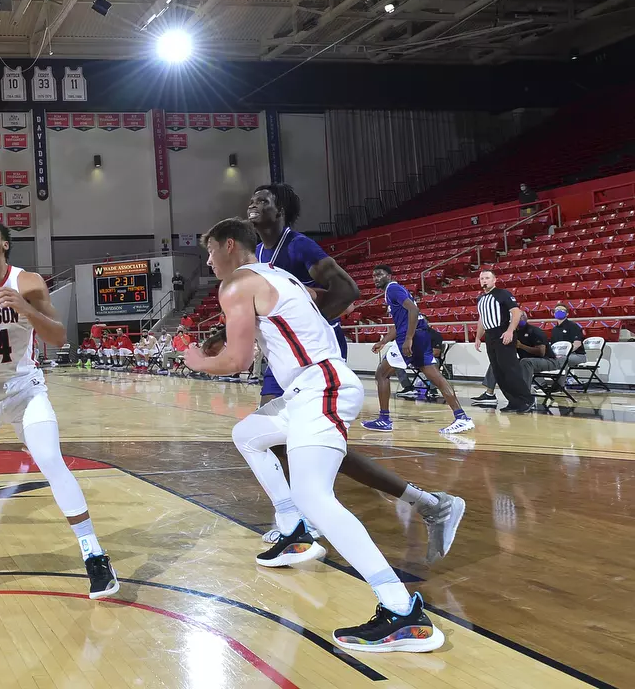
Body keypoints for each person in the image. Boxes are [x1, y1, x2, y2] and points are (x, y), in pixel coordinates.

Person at [185, 217, 445, 653]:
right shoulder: (278, 274)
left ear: (229, 245)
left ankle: (402, 612)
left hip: (320, 385)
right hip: (311, 386)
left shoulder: (235, 286)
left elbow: (237, 361)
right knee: (248, 433)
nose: (208, 260)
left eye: (210, 250)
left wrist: (196, 360)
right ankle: (293, 530)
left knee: (316, 497)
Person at [239, 184, 465, 560]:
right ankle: (422, 503)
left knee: (299, 442)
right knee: (286, 441)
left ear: (281, 210)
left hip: (315, 356)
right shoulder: (260, 253)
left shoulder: (299, 246)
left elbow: (347, 289)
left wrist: (305, 323)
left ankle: (302, 522)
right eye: (252, 197)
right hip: (284, 358)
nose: (254, 202)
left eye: (263, 199)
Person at [0, 216, 119, 599]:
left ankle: (94, 554)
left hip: (24, 390)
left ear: (5, 244)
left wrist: (26, 311)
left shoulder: (26, 282)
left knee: (51, 460)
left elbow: (60, 336)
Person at [364, 266, 473, 434]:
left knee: (381, 374)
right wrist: (385, 341)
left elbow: (414, 310)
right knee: (436, 377)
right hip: (420, 335)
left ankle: (384, 419)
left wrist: (408, 338)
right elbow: (400, 321)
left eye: (379, 274)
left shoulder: (392, 288)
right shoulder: (397, 290)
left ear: (389, 275)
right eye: (373, 275)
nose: (375, 278)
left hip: (411, 337)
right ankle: (461, 417)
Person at [473, 270, 533, 412]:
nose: (484, 280)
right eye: (482, 278)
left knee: (510, 370)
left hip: (502, 333)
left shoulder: (503, 294)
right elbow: (482, 319)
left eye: (487, 278)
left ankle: (526, 400)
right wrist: (477, 336)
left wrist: (510, 330)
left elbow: (516, 312)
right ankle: (513, 401)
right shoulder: (480, 299)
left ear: (494, 280)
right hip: (489, 335)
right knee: (498, 371)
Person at [473, 309, 557, 406]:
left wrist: (521, 346)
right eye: (519, 316)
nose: (521, 318)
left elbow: (541, 352)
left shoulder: (535, 331)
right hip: (524, 360)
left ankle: (525, 396)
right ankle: (489, 393)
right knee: (497, 361)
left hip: (547, 360)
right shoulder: (512, 333)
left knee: (525, 362)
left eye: (522, 316)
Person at [549, 301, 587, 374]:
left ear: (567, 314)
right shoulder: (554, 330)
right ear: (553, 313)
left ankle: (562, 382)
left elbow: (577, 344)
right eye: (556, 310)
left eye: (562, 310)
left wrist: (564, 353)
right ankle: (543, 384)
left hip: (577, 355)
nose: (559, 312)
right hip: (559, 356)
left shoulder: (573, 326)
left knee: (562, 359)